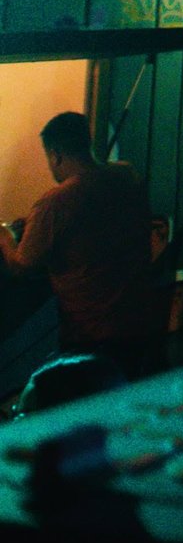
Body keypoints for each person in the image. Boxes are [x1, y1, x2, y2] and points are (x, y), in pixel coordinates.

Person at [0, 113, 157, 373]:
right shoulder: (127, 176)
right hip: (140, 325)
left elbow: (22, 266)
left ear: (55, 155)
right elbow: (91, 223)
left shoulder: (57, 202)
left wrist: (4, 237)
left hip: (91, 333)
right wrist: (35, 225)